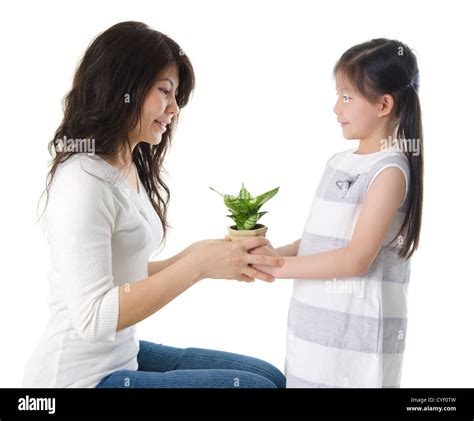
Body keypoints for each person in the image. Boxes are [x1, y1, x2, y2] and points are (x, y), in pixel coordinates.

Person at [22, 21, 285, 389]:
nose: (174, 109)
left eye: (176, 96)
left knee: (270, 377)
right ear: (123, 88)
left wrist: (206, 254)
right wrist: (197, 266)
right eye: (166, 91)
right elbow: (93, 317)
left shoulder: (125, 164)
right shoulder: (82, 180)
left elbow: (125, 273)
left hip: (120, 355)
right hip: (77, 378)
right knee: (256, 388)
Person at [251, 38, 423, 388]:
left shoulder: (388, 171)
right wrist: (265, 255)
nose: (335, 108)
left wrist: (276, 268)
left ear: (384, 104)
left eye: (346, 97)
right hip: (314, 335)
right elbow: (318, 242)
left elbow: (355, 259)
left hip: (356, 349)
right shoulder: (339, 162)